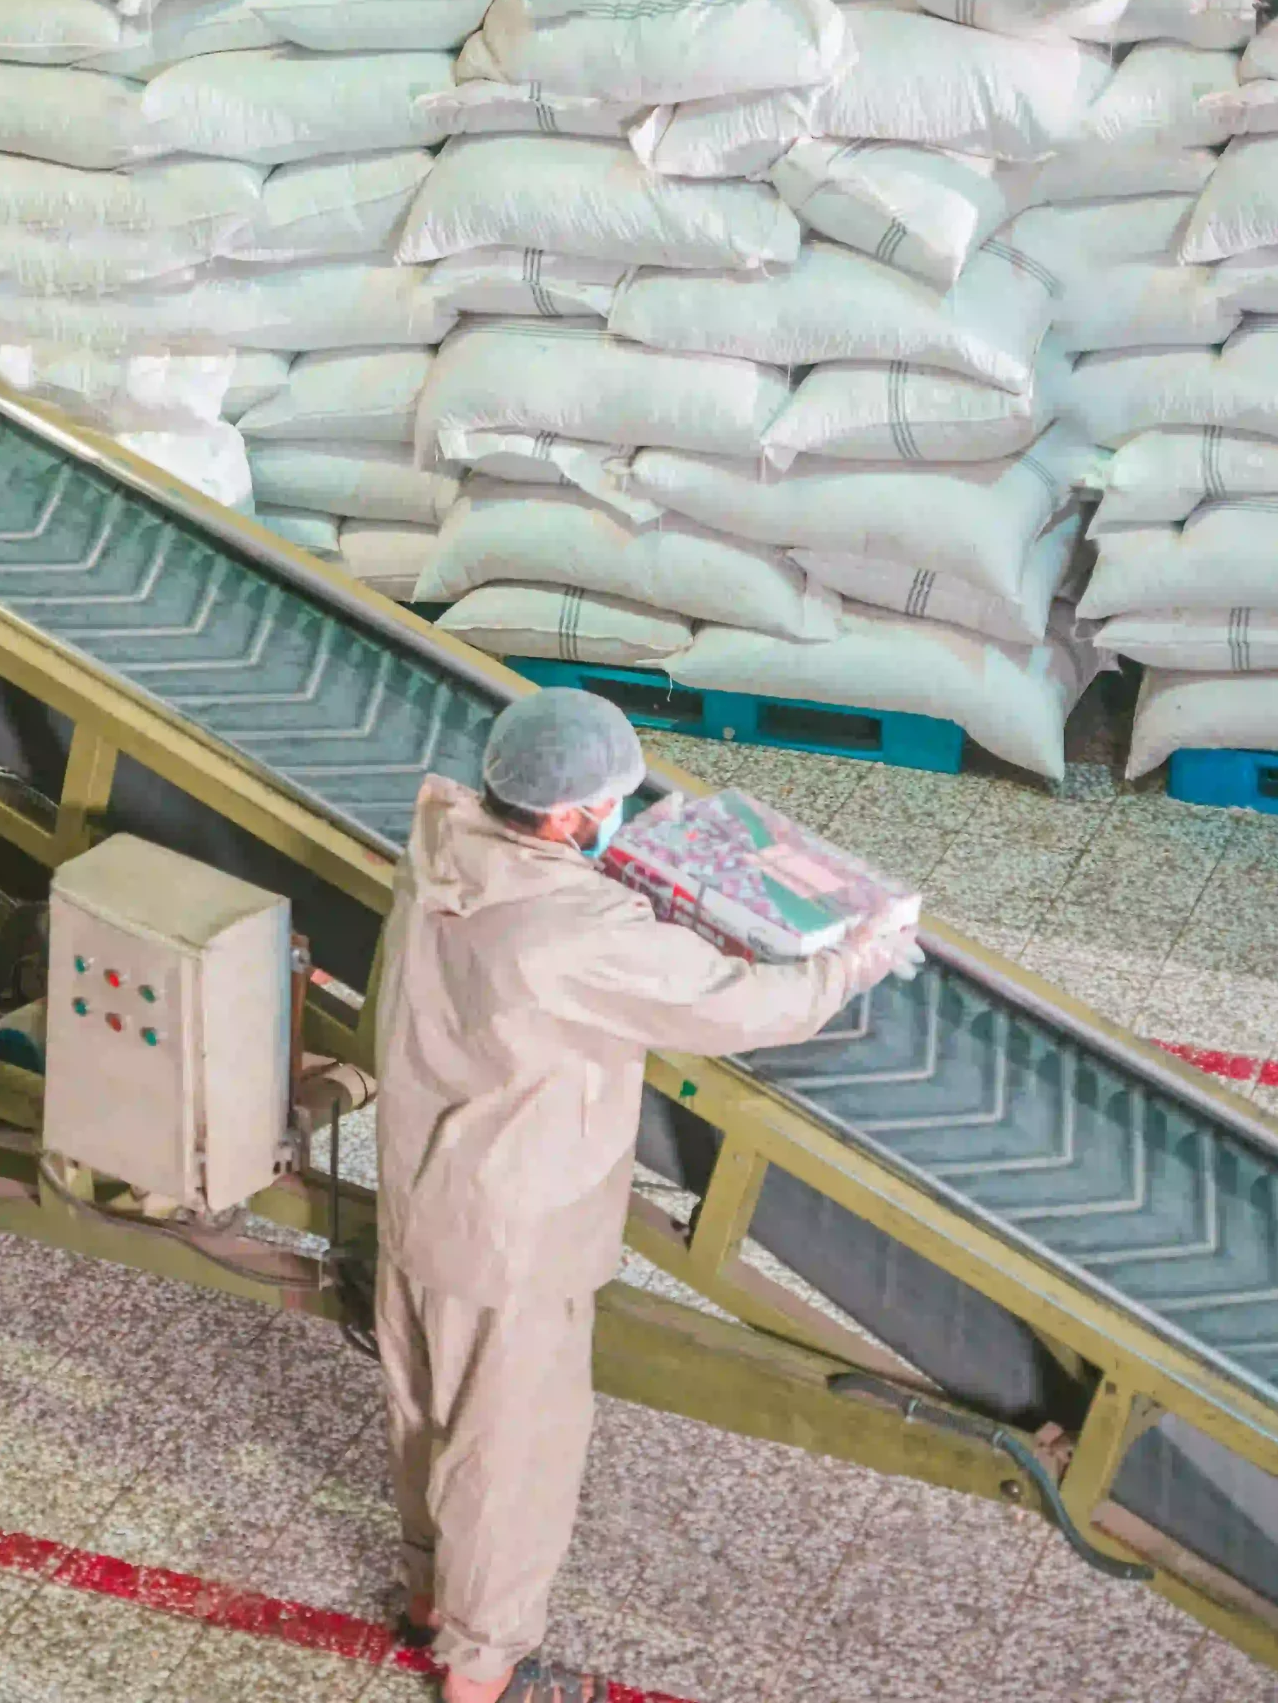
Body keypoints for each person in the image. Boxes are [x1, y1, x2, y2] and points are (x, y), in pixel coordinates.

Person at [373, 689, 915, 1703]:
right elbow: (745, 1002)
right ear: (573, 817)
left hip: (418, 1190)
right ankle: (483, 1670)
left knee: (426, 1407)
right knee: (510, 1453)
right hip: (511, 1232)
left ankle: (428, 1599)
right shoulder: (575, 927)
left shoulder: (439, 846)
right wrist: (851, 959)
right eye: (614, 800)